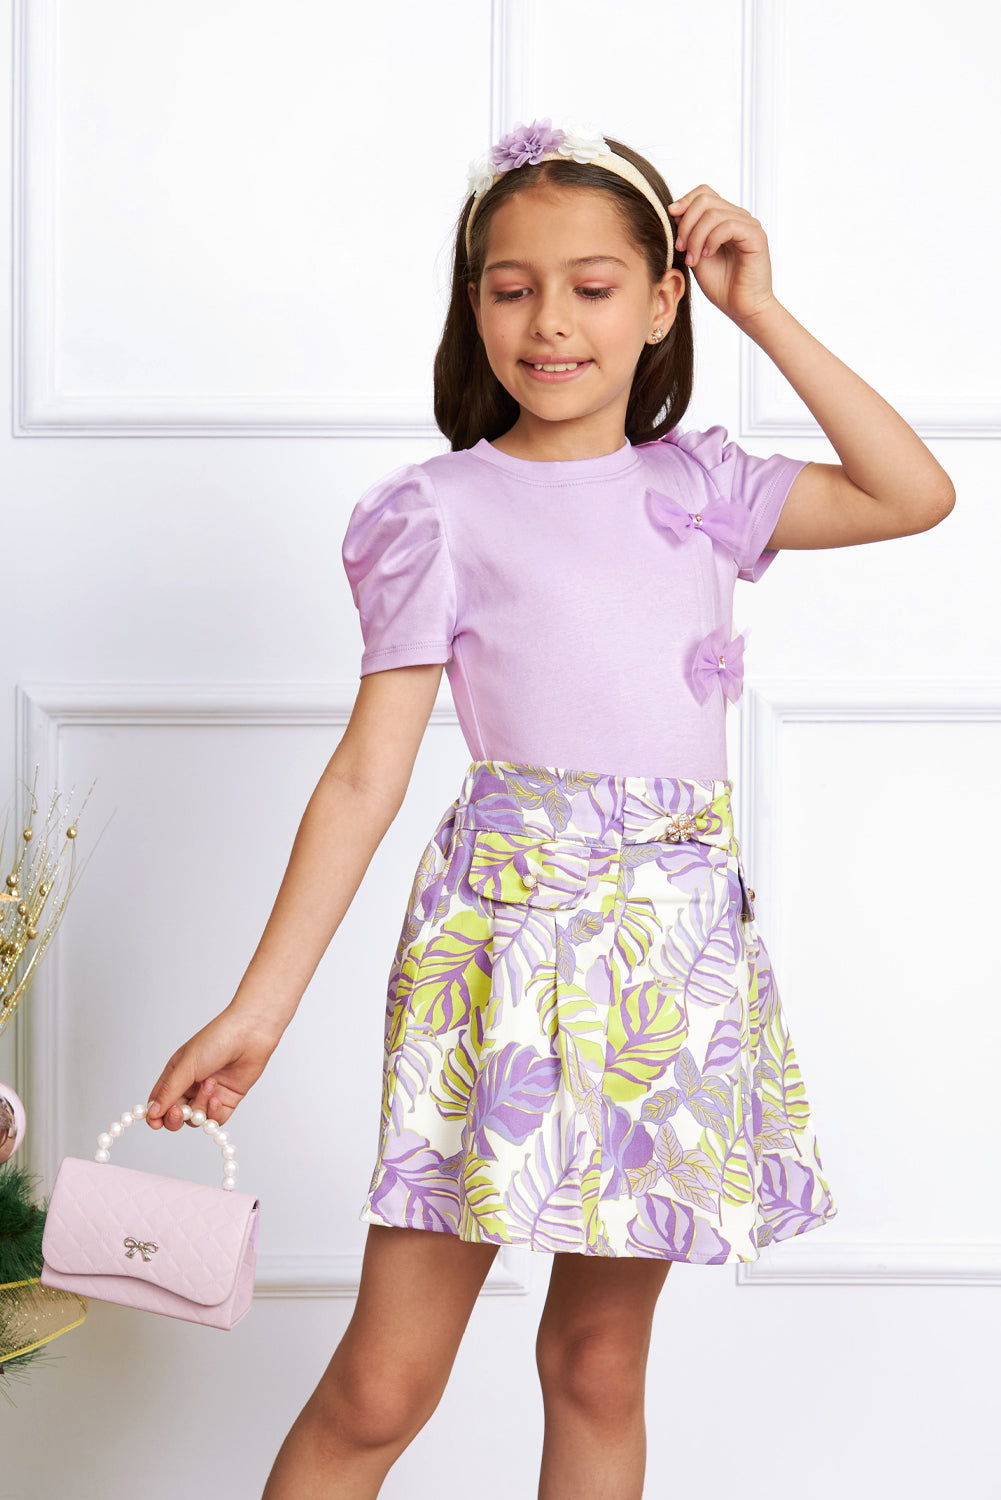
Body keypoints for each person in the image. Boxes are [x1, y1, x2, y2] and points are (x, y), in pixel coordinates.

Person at [145, 120, 954, 1500]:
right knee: (384, 1382)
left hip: (666, 967)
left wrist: (761, 309)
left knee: (595, 1365)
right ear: (475, 306)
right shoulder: (436, 512)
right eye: (512, 288)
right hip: (498, 956)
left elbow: (912, 492)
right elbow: (366, 773)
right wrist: (257, 1012)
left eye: (592, 286)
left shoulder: (704, 487)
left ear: (661, 303)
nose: (551, 322)